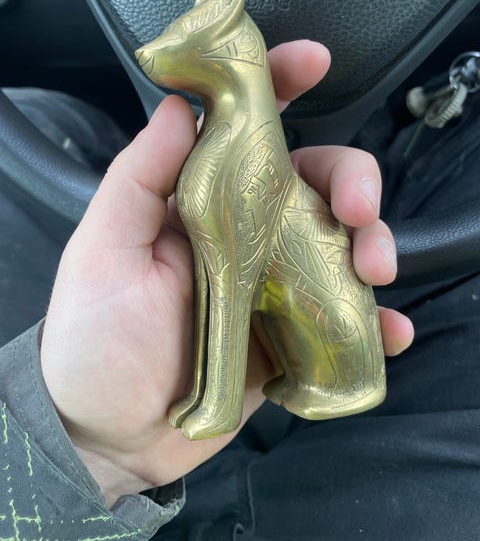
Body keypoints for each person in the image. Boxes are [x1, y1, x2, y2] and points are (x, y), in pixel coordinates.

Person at [2, 36, 476, 540]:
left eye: (184, 45)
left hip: (318, 381)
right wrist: (94, 452)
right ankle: (219, 404)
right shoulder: (234, 154)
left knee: (42, 118)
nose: (154, 53)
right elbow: (226, 282)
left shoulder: (238, 159)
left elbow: (231, 286)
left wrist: (84, 453)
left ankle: (224, 403)